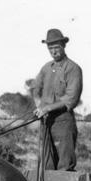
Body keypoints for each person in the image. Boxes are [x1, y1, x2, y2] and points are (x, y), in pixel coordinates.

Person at [32, 28, 82, 171]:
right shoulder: (46, 68)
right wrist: (39, 106)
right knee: (45, 167)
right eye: (50, 48)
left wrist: (47, 108)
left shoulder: (73, 68)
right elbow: (35, 88)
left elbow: (71, 99)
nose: (53, 51)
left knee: (64, 166)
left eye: (56, 47)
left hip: (63, 122)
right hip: (46, 122)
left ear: (63, 46)